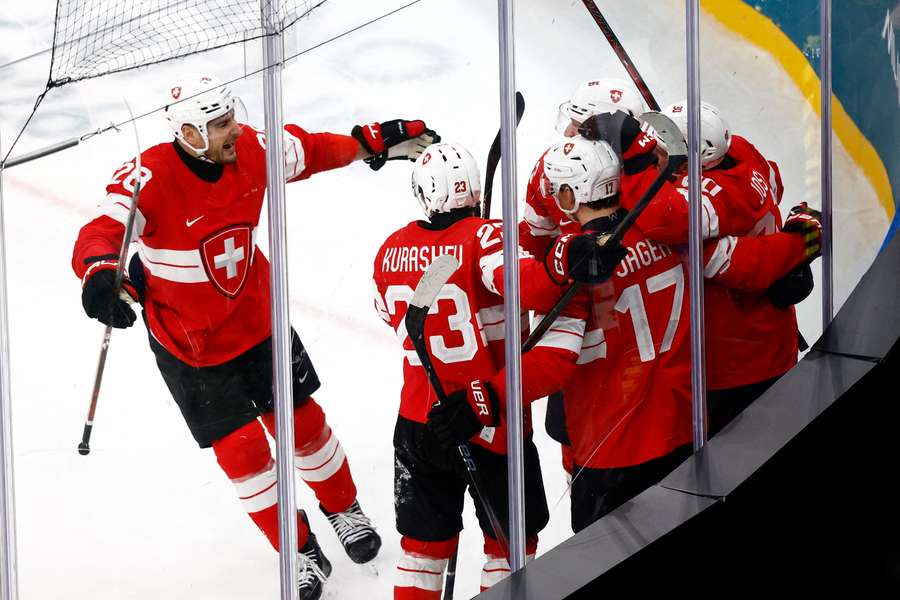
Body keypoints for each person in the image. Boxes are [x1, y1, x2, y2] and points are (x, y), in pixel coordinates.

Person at [73, 73, 438, 600]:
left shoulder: (250, 148)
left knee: (303, 423)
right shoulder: (148, 177)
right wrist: (100, 271)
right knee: (243, 451)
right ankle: (297, 545)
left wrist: (369, 141)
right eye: (218, 125)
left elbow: (309, 151)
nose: (233, 131)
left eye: (231, 118)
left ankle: (344, 510)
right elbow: (102, 230)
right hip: (188, 343)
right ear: (189, 134)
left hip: (255, 319)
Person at [372, 142, 622, 598]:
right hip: (491, 425)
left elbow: (395, 316)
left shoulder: (389, 252)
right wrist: (566, 261)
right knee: (509, 548)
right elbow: (537, 291)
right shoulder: (486, 237)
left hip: (420, 421)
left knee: (422, 549)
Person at [538, 136, 695, 531]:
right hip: (680, 427)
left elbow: (551, 363)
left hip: (611, 451)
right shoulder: (663, 234)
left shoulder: (579, 272)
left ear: (572, 195)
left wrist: (488, 395)